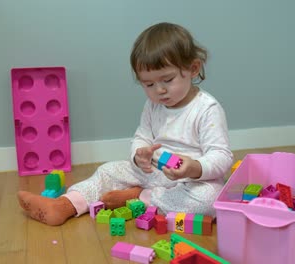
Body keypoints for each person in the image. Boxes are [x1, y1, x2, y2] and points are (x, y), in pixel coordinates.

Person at [18, 22, 233, 226]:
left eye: (167, 80)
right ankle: (65, 205)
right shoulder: (153, 105)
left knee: (209, 200)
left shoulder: (206, 109)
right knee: (108, 171)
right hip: (153, 172)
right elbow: (142, 136)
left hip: (192, 181)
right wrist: (139, 155)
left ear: (193, 68)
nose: (159, 90)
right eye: (149, 84)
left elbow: (221, 156)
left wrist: (194, 167)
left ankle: (139, 196)